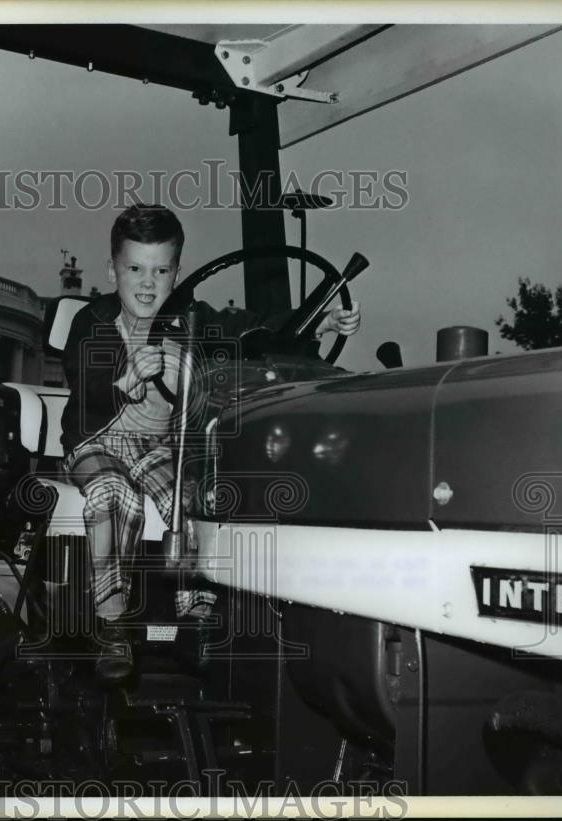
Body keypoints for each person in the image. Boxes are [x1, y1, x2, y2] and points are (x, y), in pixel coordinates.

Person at [60, 203, 360, 683]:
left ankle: (196, 615)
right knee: (114, 496)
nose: (146, 283)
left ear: (177, 273)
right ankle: (111, 623)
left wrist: (315, 324)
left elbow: (252, 328)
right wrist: (124, 377)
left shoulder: (192, 317)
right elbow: (84, 375)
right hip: (101, 443)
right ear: (110, 269)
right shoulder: (92, 321)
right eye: (134, 268)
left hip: (160, 448)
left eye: (161, 271)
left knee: (197, 497)